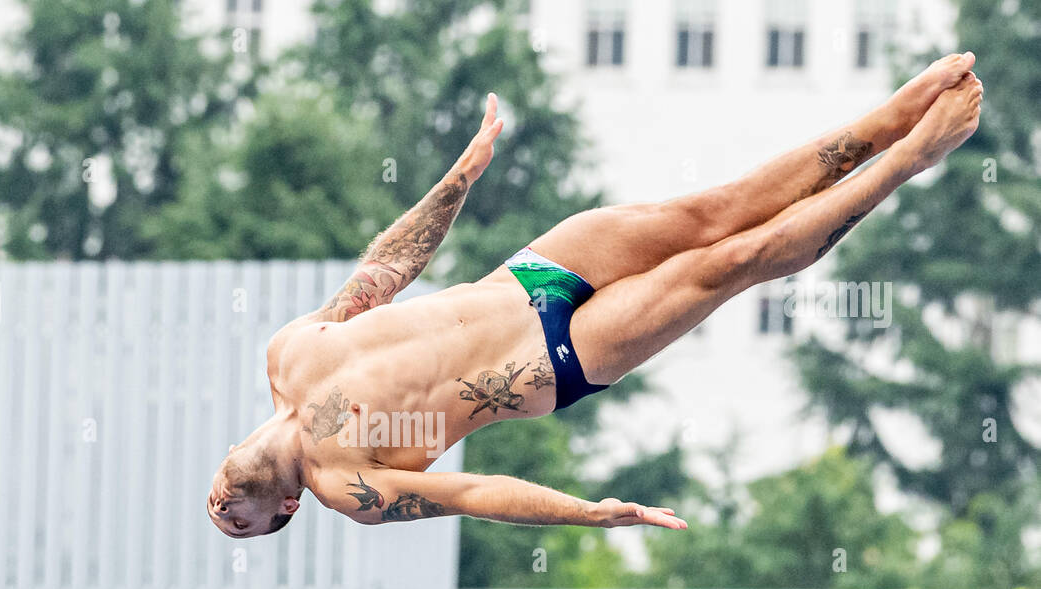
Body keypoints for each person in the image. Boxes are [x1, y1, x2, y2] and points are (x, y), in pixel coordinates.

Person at [208, 54, 982, 538]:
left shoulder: (286, 353)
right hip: (553, 360)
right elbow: (476, 492)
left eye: (215, 508)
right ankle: (916, 155)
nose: (220, 510)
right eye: (236, 526)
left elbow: (384, 271)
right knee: (731, 261)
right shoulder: (347, 488)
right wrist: (587, 513)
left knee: (714, 210)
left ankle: (884, 122)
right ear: (285, 511)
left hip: (528, 276)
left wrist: (463, 174)